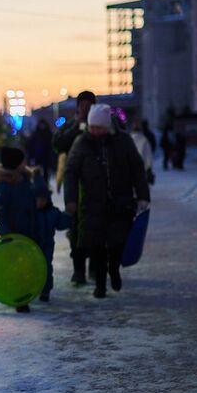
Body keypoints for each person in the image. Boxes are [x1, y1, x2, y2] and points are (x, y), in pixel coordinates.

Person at [63, 104, 150, 299]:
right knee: (97, 247)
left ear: (107, 126)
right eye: (92, 127)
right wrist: (71, 199)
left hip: (121, 202)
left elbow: (137, 168)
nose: (95, 131)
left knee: (117, 243)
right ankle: (100, 285)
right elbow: (70, 172)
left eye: (99, 127)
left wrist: (143, 195)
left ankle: (114, 269)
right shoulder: (81, 143)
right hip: (92, 205)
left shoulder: (123, 141)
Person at [0, 146, 71, 310]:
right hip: (16, 235)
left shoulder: (24, 179)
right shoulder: (4, 185)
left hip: (30, 231)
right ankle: (20, 299)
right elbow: (1, 214)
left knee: (29, 266)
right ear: (16, 164)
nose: (26, 163)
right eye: (23, 161)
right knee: (18, 268)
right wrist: (7, 235)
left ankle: (31, 292)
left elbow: (34, 200)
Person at [53, 90, 96, 285]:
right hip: (75, 186)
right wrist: (77, 128)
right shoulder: (71, 126)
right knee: (76, 228)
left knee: (97, 228)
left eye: (90, 106)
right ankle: (79, 270)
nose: (86, 109)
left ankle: (95, 268)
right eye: (83, 105)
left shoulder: (100, 126)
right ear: (78, 107)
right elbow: (58, 144)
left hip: (97, 187)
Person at [25, 118, 55, 183]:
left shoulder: (48, 134)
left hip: (46, 157)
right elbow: (30, 145)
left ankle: (44, 184)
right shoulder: (36, 134)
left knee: (45, 172)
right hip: (38, 157)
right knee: (37, 172)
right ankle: (39, 184)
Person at [128, 117, 155, 185]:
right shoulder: (145, 140)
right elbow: (148, 156)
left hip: (130, 169)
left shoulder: (127, 139)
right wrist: (148, 168)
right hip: (141, 169)